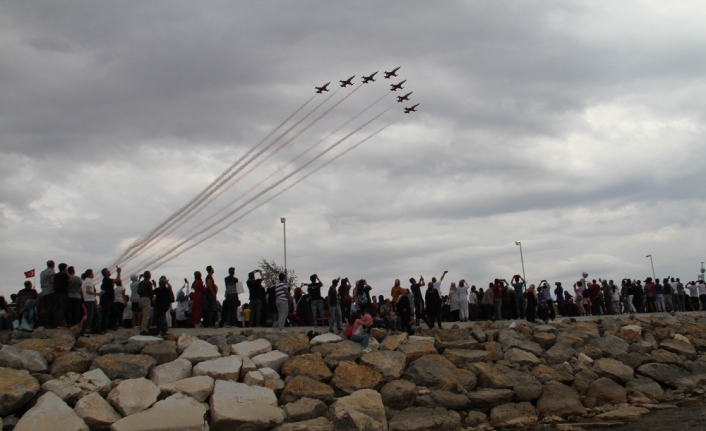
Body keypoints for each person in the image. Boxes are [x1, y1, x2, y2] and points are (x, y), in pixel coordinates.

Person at [79, 269, 102, 337]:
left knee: (96, 315)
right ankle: (82, 332)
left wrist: (84, 297)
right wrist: (97, 293)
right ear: (90, 273)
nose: (93, 274)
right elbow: (88, 290)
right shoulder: (89, 281)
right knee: (90, 317)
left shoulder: (84, 281)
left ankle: (96, 329)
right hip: (90, 301)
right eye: (92, 273)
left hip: (87, 300)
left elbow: (80, 291)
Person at [53, 263, 71, 328]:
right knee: (62, 308)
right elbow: (71, 281)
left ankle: (55, 323)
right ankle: (60, 323)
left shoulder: (56, 275)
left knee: (57, 308)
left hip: (56, 292)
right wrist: (67, 274)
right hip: (63, 292)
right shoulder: (65, 275)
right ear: (64, 268)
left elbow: (53, 282)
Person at [39, 260, 56, 327]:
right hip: (50, 291)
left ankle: (45, 323)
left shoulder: (42, 272)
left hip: (44, 292)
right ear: (52, 264)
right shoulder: (51, 272)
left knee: (46, 308)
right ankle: (49, 324)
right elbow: (53, 281)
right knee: (50, 308)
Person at [137, 271, 154, 335]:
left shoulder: (141, 283)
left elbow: (138, 292)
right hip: (146, 299)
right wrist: (151, 298)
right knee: (146, 315)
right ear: (149, 276)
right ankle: (143, 330)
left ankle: (142, 328)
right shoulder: (149, 283)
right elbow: (151, 292)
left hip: (140, 299)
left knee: (143, 314)